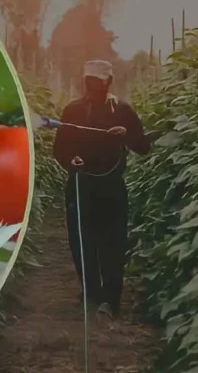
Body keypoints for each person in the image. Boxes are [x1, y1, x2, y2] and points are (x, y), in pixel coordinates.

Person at [52, 60, 151, 320]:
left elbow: (143, 146)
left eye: (98, 82)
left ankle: (111, 300)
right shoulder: (72, 111)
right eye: (89, 82)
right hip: (79, 184)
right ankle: (90, 294)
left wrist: (126, 134)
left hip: (111, 186)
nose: (92, 87)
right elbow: (59, 148)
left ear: (108, 82)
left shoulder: (122, 112)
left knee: (113, 242)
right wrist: (70, 161)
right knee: (81, 241)